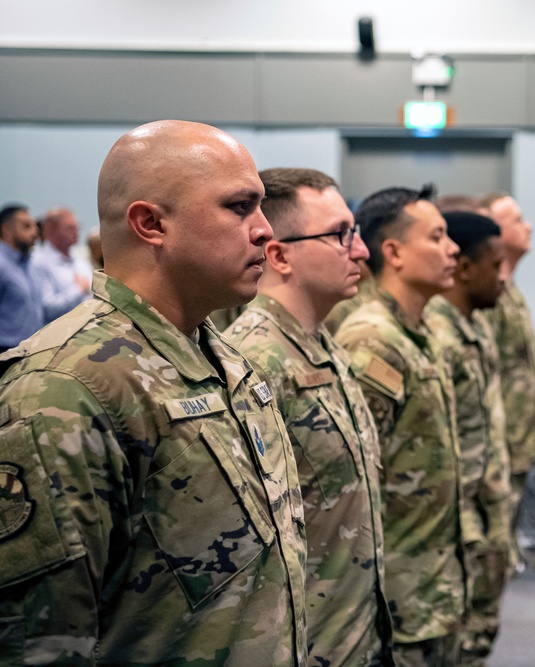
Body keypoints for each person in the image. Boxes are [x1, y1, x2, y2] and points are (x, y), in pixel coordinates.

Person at [0, 120, 309, 665]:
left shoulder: (225, 359)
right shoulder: (62, 390)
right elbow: (40, 645)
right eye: (240, 207)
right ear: (151, 224)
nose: (265, 230)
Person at [224, 168, 393, 666]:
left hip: (352, 628)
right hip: (308, 645)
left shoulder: (317, 342)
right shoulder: (255, 360)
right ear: (279, 254)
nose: (360, 251)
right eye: (341, 235)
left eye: (356, 234)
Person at [333, 185, 466, 667]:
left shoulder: (421, 332)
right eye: (436, 236)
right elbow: (359, 485)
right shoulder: (373, 340)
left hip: (433, 582)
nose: (452, 249)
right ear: (393, 252)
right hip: (399, 596)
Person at [425, 211, 511, 666]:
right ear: (465, 268)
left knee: (479, 631)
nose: (505, 278)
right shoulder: (438, 334)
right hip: (459, 521)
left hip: (486, 502)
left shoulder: (474, 322)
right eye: (497, 266)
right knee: (459, 638)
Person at [483, 193, 535, 568]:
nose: (529, 226)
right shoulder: (488, 296)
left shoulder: (510, 289)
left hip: (521, 426)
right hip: (500, 435)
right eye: (518, 219)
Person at [30, 207, 93, 323]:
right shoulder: (38, 263)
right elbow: (47, 309)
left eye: (77, 227)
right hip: (59, 335)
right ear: (51, 230)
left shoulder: (80, 260)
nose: (77, 231)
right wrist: (78, 290)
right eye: (70, 228)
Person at [0, 204, 43, 352]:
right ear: (7, 230)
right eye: (26, 226)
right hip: (5, 356)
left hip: (28, 354)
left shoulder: (29, 263)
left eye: (34, 227)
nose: (35, 233)